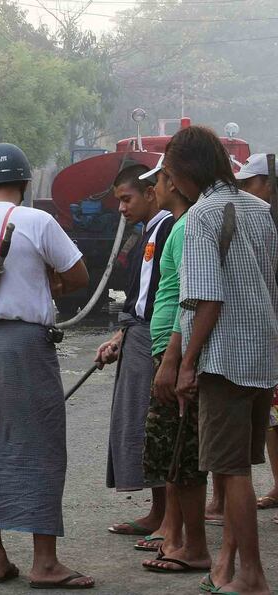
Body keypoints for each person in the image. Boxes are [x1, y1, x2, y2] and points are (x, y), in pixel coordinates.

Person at [0, 143, 94, 588]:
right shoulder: (37, 221)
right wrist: (46, 283)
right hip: (28, 345)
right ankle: (46, 563)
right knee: (41, 446)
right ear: (24, 181)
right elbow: (79, 277)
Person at [167, 126, 276, 595]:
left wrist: (186, 364)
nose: (170, 184)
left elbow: (206, 300)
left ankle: (251, 575)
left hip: (223, 360)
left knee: (230, 473)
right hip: (260, 357)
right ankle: (228, 565)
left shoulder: (200, 218)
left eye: (171, 175)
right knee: (240, 473)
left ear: (187, 172)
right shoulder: (261, 210)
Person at [132, 156, 212, 575]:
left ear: (175, 183)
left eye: (160, 180)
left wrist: (177, 361)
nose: (156, 189)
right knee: (170, 451)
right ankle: (176, 536)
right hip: (167, 348)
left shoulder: (186, 227)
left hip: (174, 352)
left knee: (179, 450)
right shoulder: (179, 226)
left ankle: (191, 545)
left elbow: (190, 296)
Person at [97, 164, 173, 536]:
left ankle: (170, 520)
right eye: (119, 201)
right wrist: (120, 337)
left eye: (126, 199)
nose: (122, 208)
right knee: (143, 423)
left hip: (157, 338)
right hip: (139, 333)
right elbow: (137, 297)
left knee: (156, 423)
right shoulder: (148, 232)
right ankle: (158, 513)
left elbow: (166, 296)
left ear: (150, 192)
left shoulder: (170, 228)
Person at [234, 153, 278, 522]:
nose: (247, 191)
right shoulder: (258, 220)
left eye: (251, 184)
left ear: (269, 184)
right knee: (272, 416)